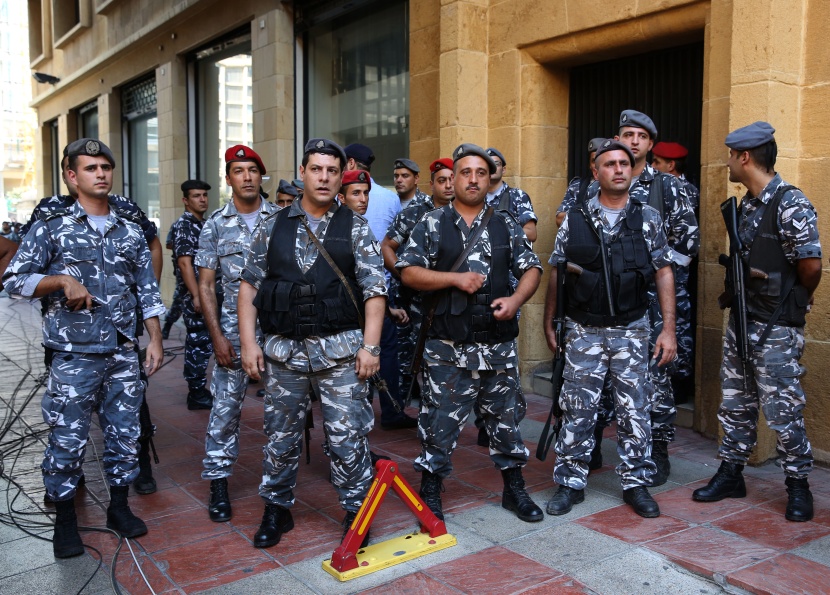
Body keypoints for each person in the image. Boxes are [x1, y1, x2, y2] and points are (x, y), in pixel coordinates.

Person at [3, 138, 165, 557]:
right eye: (91, 168)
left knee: (125, 436)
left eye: (105, 167)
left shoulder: (129, 231)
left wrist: (156, 340)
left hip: (123, 353)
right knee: (67, 440)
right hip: (74, 356)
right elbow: (13, 281)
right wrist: (60, 281)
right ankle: (66, 523)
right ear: (72, 177)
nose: (101, 174)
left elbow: (146, 289)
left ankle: (118, 508)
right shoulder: (51, 228)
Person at [238, 138, 386, 548]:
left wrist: (370, 347)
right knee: (280, 436)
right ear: (302, 172)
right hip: (285, 354)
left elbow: (375, 291)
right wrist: (248, 345)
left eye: (332, 171)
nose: (323, 177)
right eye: (316, 169)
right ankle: (277, 509)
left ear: (341, 177)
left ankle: (357, 512)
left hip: (340, 353)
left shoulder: (354, 226)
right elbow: (249, 287)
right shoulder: (272, 225)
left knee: (347, 437)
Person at [397, 143, 543, 524]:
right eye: (466, 172)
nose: (474, 179)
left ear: (489, 177)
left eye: (481, 172)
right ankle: (431, 491)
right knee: (438, 423)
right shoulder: (431, 223)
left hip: (496, 346)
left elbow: (532, 268)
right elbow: (408, 271)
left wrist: (515, 300)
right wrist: (454, 279)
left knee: (506, 422)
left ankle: (514, 490)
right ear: (453, 178)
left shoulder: (506, 222)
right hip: (447, 347)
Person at [693, 122, 821, 522]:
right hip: (742, 319)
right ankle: (732, 472)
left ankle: (798, 485)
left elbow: (811, 265)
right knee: (735, 402)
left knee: (783, 409)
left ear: (744, 157)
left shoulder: (790, 203)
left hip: (776, 325)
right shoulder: (746, 204)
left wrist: (792, 299)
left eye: (732, 156)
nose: (728, 162)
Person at [544, 139, 676, 518]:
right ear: (596, 172)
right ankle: (570, 482)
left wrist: (667, 330)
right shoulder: (575, 217)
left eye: (625, 163)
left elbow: (664, 273)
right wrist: (550, 321)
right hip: (584, 329)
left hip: (632, 330)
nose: (619, 169)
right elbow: (557, 271)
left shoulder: (648, 217)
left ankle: (636, 484)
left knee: (635, 411)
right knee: (578, 409)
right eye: (610, 164)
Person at [195, 145, 279, 523]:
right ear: (228, 179)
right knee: (225, 411)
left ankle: (279, 488)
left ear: (262, 177)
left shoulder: (283, 219)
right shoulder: (214, 224)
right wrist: (217, 339)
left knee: (284, 412)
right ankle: (218, 483)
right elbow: (206, 285)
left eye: (252, 170)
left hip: (279, 335)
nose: (246, 177)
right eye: (238, 170)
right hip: (230, 331)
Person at [381, 158, 455, 402]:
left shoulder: (464, 214)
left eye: (452, 180)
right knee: (410, 360)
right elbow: (387, 246)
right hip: (414, 302)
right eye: (442, 180)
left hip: (450, 301)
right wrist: (401, 274)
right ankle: (405, 411)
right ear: (431, 184)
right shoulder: (414, 213)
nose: (448, 186)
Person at [651, 140, 700, 402]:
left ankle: (680, 383)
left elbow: (687, 239)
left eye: (656, 162)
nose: (652, 166)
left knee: (677, 327)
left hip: (673, 277)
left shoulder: (684, 190)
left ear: (670, 165)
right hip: (662, 274)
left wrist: (670, 267)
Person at [171, 179, 214, 410]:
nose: (202, 199)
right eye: (197, 196)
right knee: (197, 341)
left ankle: (200, 389)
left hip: (207, 293)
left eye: (204, 195)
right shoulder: (185, 225)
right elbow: (185, 263)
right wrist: (197, 296)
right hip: (195, 296)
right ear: (186, 201)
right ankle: (196, 393)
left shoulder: (203, 224)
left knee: (205, 341)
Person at [485, 147, 538, 242]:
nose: (492, 168)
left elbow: (531, 233)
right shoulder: (475, 197)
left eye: (496, 164)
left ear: (503, 169)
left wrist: (496, 234)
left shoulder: (518, 196)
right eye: (488, 165)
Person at [555, 137, 606, 226]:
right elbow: (559, 219)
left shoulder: (620, 185)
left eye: (602, 160)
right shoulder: (578, 186)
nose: (597, 165)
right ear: (589, 165)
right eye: (594, 161)